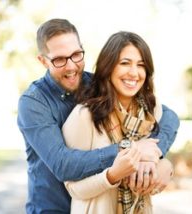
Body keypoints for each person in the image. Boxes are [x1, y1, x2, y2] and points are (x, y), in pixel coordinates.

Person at [17, 18, 180, 213]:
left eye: (76, 55)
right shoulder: (34, 102)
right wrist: (130, 150)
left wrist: (156, 156)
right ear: (43, 60)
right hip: (52, 208)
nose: (71, 67)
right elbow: (63, 164)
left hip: (101, 204)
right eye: (59, 59)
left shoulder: (98, 85)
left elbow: (168, 116)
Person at [62, 31, 178, 214]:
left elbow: (154, 155)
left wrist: (163, 165)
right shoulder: (84, 116)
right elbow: (73, 188)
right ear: (109, 67)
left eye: (141, 65)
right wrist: (113, 175)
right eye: (125, 63)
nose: (134, 72)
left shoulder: (150, 112)